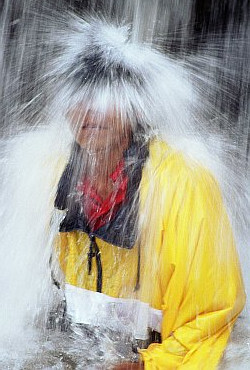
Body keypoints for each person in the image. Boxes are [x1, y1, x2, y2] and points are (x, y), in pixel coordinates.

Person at [3, 17, 245, 369]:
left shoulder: (184, 186)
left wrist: (150, 365)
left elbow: (212, 317)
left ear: (136, 109)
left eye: (108, 98)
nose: (91, 111)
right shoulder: (44, 173)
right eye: (81, 97)